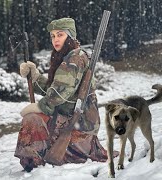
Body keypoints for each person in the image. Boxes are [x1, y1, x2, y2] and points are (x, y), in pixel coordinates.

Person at [14, 17, 117, 172]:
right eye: (53, 36)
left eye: (60, 35)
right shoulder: (68, 56)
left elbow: (58, 94)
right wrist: (34, 77)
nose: (55, 39)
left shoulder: (75, 57)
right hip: (73, 123)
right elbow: (56, 89)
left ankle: (35, 162)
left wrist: (40, 106)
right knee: (36, 118)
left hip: (78, 127)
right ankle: (41, 157)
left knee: (32, 119)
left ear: (70, 36)